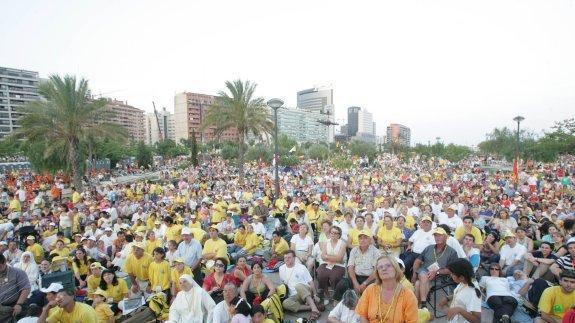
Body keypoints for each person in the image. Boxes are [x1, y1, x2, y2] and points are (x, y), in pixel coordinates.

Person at [355, 254, 418, 322]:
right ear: (377, 272)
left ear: (396, 269)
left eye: (388, 265)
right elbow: (362, 315)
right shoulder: (370, 290)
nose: (384, 269)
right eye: (380, 267)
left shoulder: (408, 295)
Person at [412, 227, 460, 307]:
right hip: (424, 273)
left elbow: (452, 269)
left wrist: (436, 272)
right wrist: (414, 274)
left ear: (446, 237)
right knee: (423, 275)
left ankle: (417, 307)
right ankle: (423, 304)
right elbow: (417, 261)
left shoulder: (452, 252)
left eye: (440, 235)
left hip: (440, 277)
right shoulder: (429, 248)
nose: (437, 238)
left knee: (417, 284)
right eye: (435, 236)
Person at [279, 250, 322, 320]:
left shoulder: (301, 267)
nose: (287, 259)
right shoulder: (281, 269)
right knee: (285, 304)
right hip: (294, 296)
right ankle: (311, 306)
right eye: (285, 258)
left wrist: (315, 294)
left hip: (306, 290)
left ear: (294, 258)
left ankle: (315, 310)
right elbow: (284, 283)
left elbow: (310, 281)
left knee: (298, 286)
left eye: (289, 257)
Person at [439, 259, 481, 323]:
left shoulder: (473, 293)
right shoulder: (466, 281)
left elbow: (477, 320)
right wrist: (448, 298)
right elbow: (462, 295)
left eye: (453, 274)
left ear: (461, 277)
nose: (451, 275)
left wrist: (460, 310)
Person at [316, 225, 346, 300]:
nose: (333, 234)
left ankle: (336, 295)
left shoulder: (342, 244)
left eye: (336, 233)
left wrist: (327, 256)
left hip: (339, 265)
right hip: (326, 264)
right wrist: (334, 257)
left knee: (334, 277)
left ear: (339, 235)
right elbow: (322, 256)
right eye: (332, 233)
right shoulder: (326, 242)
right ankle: (326, 294)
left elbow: (340, 259)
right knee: (320, 274)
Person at [0, 253, 31, 321]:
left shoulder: (18, 272)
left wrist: (19, 304)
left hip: (14, 305)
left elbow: (26, 289)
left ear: (5, 262)